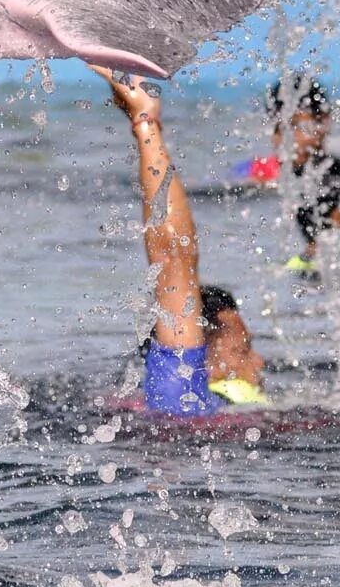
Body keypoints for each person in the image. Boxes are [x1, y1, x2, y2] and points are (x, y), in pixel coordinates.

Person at [95, 66, 269, 414]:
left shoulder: (201, 408)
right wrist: (145, 123)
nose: (260, 363)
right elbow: (173, 257)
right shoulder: (180, 394)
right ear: (195, 348)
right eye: (241, 350)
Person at [267, 75, 340, 275]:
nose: (285, 138)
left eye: (295, 126)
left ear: (323, 123)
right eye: (278, 128)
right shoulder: (271, 173)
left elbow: (337, 239)